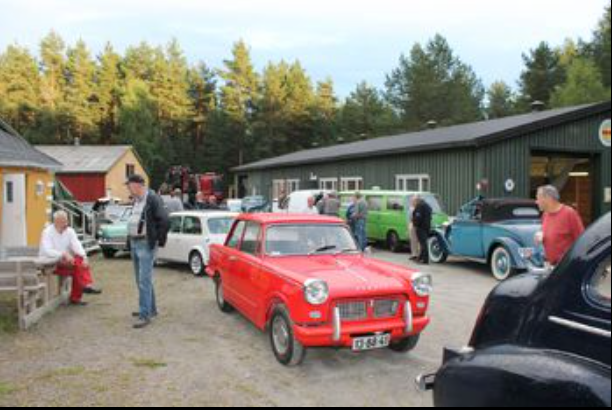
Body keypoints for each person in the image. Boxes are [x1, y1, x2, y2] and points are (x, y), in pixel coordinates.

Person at [126, 174, 170, 329]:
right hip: (135, 242)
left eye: (129, 185)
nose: (128, 188)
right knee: (141, 280)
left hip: (145, 243)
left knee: (144, 281)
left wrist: (157, 240)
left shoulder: (152, 199)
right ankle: (151, 309)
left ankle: (144, 315)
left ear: (137, 185)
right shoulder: (137, 200)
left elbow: (165, 220)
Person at [40, 211, 101, 306]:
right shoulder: (47, 232)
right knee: (78, 267)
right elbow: (47, 250)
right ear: (56, 221)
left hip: (67, 262)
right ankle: (82, 289)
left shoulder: (70, 231)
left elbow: (76, 245)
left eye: (66, 221)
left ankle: (83, 287)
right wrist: (63, 254)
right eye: (63, 221)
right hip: (50, 264)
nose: (66, 224)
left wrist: (84, 257)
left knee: (80, 263)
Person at [536, 185, 585, 267]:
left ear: (548, 198)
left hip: (567, 266)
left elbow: (582, 239)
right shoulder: (545, 214)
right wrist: (540, 236)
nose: (536, 202)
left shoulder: (569, 213)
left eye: (538, 198)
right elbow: (545, 232)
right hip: (550, 266)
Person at [413, 196, 433, 264]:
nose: (413, 203)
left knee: (423, 244)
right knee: (423, 243)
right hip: (427, 227)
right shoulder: (427, 205)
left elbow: (418, 217)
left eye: (414, 201)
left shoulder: (419, 206)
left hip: (420, 227)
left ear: (417, 201)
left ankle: (425, 260)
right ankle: (420, 258)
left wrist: (415, 225)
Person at [409, 196, 421, 262]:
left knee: (417, 240)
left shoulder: (418, 208)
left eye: (413, 201)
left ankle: (418, 254)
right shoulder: (411, 208)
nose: (412, 202)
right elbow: (409, 217)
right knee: (412, 240)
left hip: (416, 225)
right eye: (412, 201)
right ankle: (413, 254)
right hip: (411, 224)